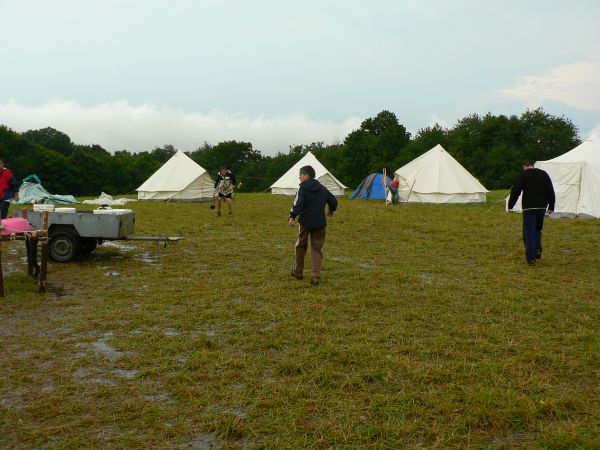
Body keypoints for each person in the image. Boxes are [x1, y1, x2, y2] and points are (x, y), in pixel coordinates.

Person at [288, 165, 337, 286]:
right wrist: (331, 210)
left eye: (300, 174)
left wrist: (292, 216)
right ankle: (315, 276)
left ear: (306, 175)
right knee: (316, 249)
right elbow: (333, 200)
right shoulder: (322, 188)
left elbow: (298, 203)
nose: (299, 177)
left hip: (305, 222)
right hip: (320, 222)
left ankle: (298, 271)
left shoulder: (302, 188)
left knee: (300, 245)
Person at [508, 159, 555, 266]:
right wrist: (551, 205)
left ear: (524, 166)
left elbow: (516, 191)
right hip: (542, 206)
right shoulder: (544, 174)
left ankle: (531, 257)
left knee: (529, 231)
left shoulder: (524, 175)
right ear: (533, 165)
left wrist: (511, 205)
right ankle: (538, 249)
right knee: (538, 229)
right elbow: (550, 190)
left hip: (529, 207)